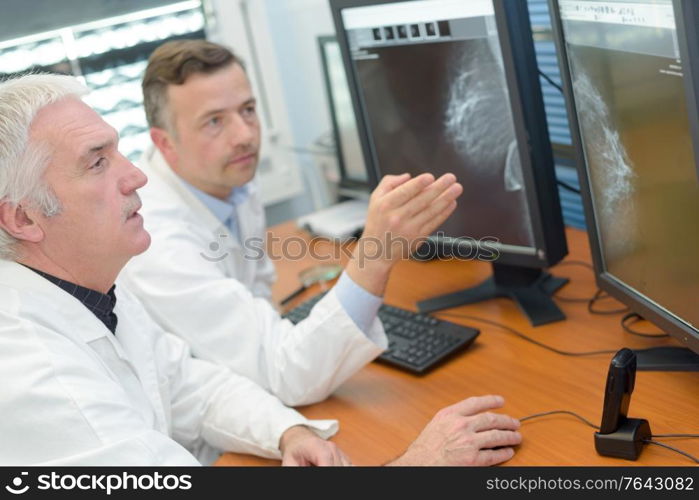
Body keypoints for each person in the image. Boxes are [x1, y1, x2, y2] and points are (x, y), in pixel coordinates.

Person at [0, 74, 522, 466]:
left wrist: (285, 432)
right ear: (23, 217)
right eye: (97, 162)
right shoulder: (42, 379)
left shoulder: (88, 286)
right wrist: (413, 468)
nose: (135, 175)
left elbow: (186, 384)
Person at [121, 39, 440, 406]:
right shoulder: (155, 243)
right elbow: (288, 377)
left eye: (248, 109)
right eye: (214, 121)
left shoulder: (226, 173)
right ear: (165, 144)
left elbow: (258, 290)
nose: (245, 136)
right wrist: (375, 255)